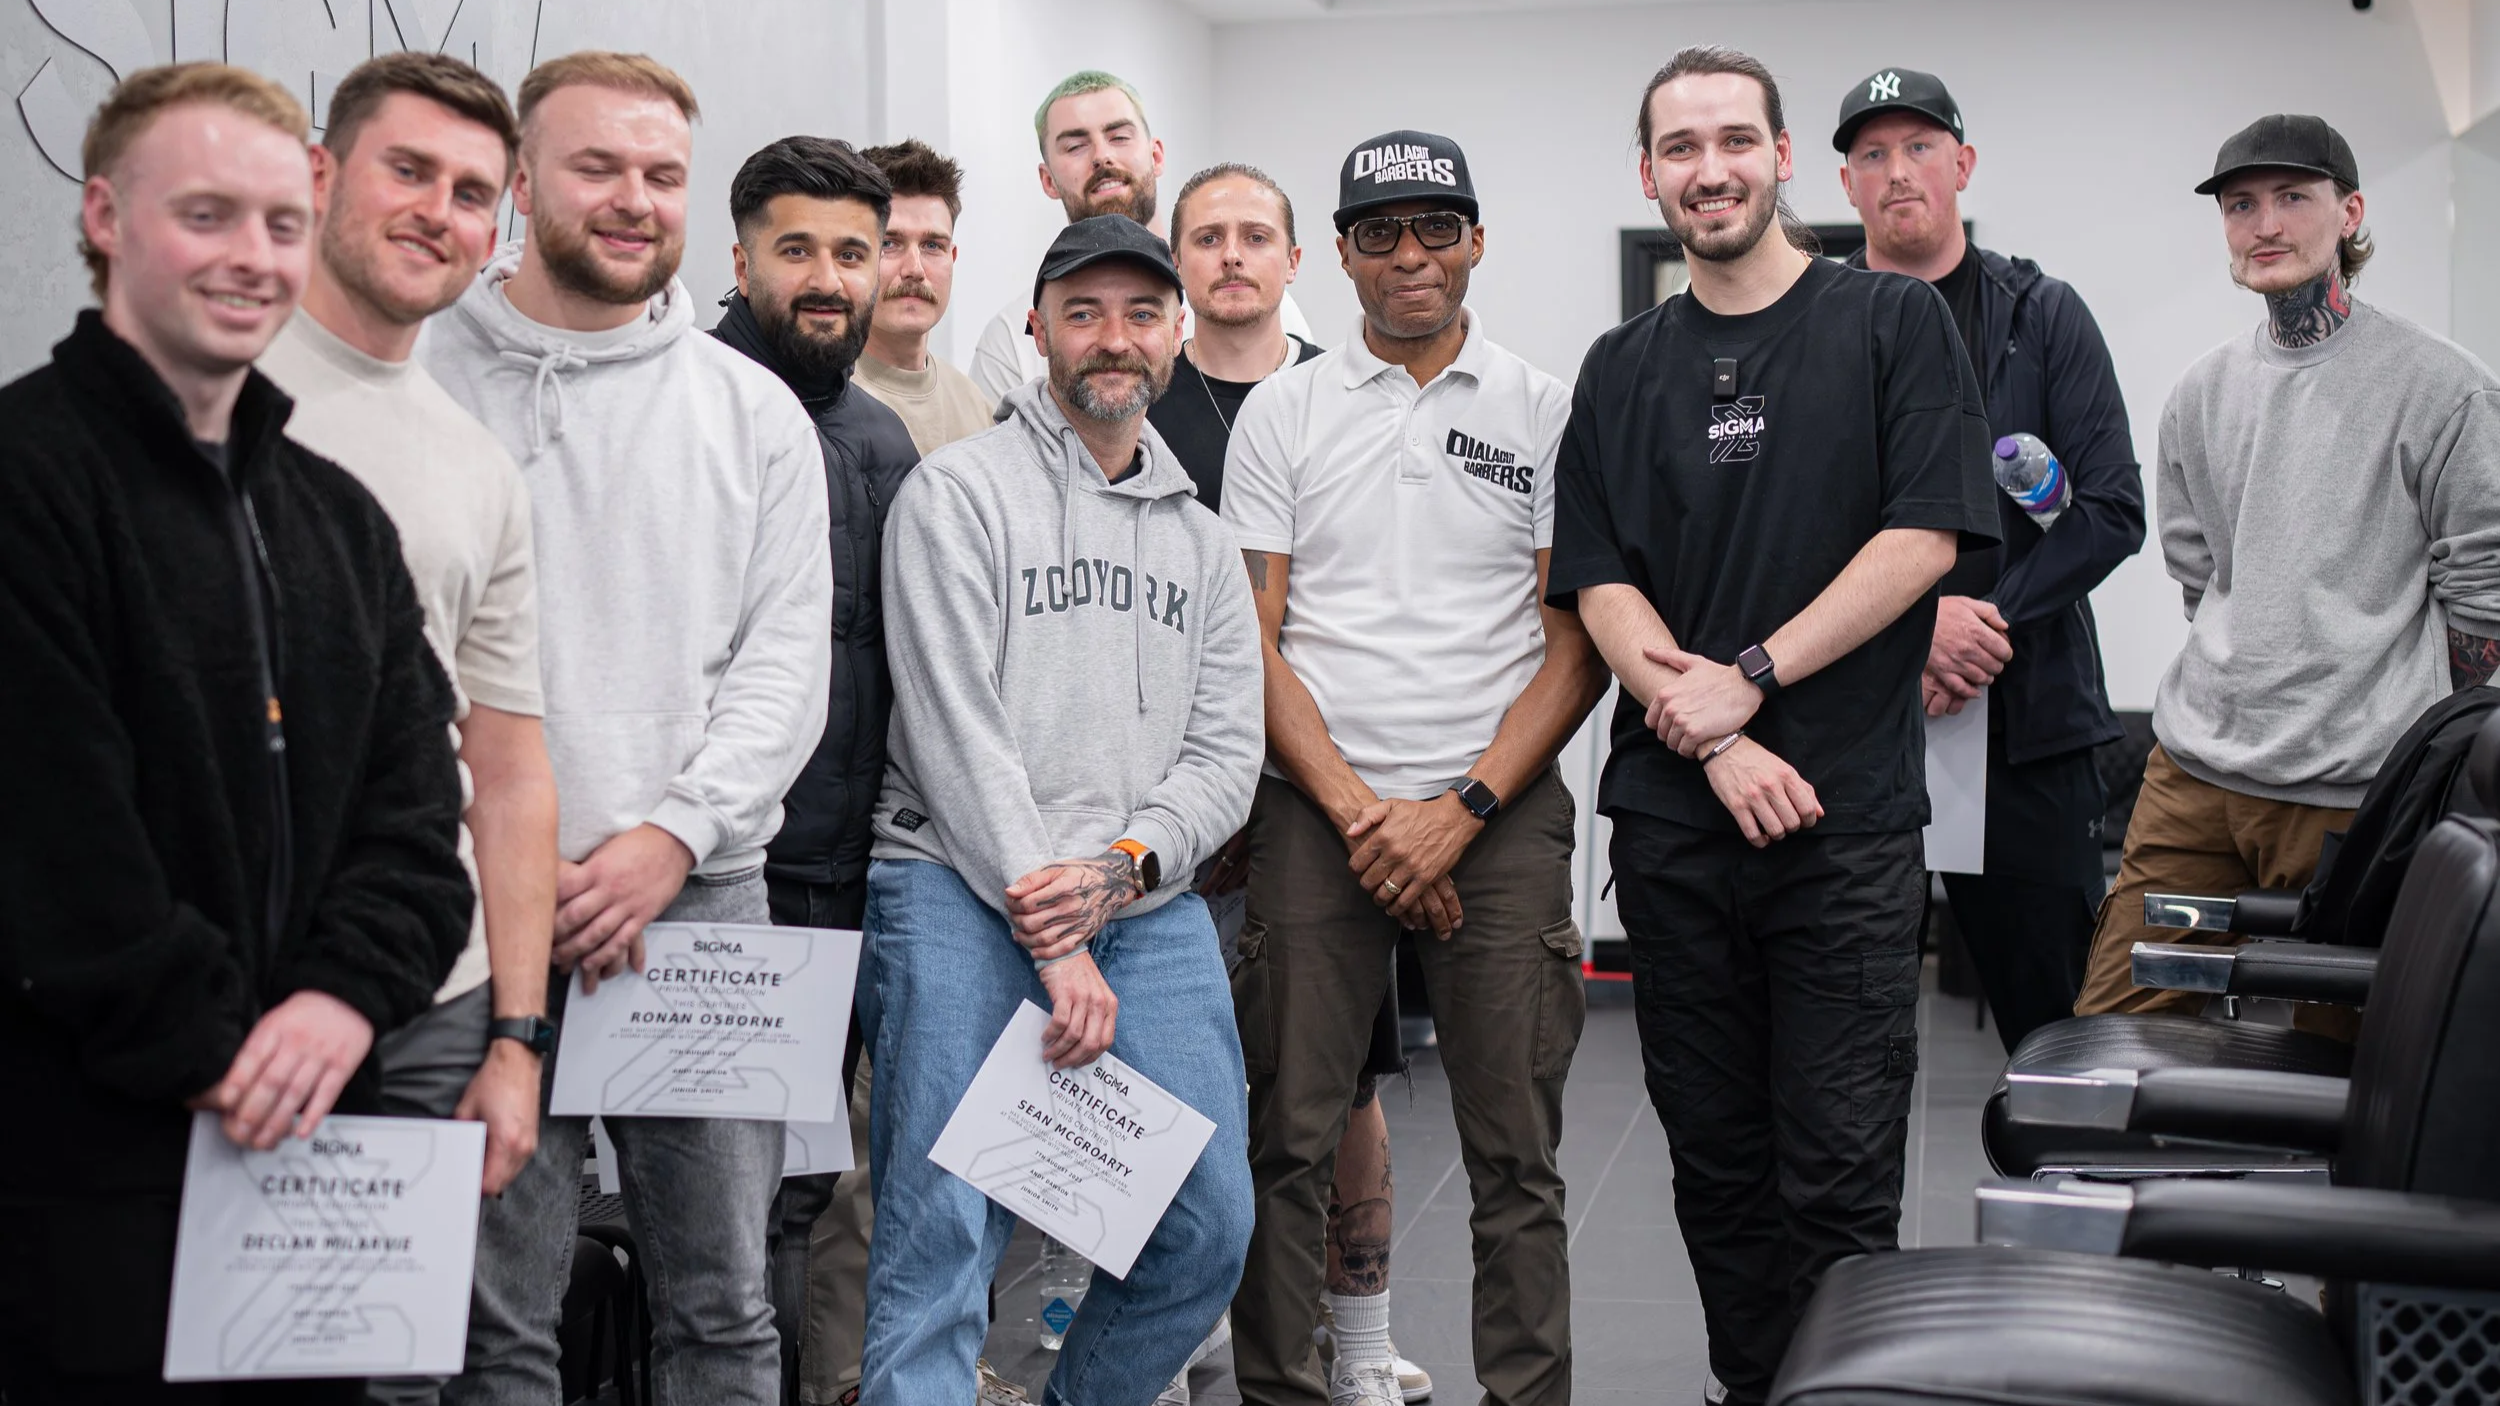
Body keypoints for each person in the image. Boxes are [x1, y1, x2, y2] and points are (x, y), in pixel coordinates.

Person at [0, 61, 473, 1405]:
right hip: (77, 1171)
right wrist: (222, 1045)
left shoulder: (337, 520)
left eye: (278, 222)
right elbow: (49, 834)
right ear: (104, 216)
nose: (252, 258)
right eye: (205, 214)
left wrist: (338, 999)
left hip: (305, 1154)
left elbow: (415, 825)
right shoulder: (27, 479)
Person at [1549, 48, 1996, 1406]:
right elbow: (1599, 574)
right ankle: (1750, 1387)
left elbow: (1923, 538)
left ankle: (1844, 1392)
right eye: (1679, 148)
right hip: (1679, 828)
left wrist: (1750, 674)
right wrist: (1713, 733)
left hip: (1842, 826)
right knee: (1719, 1166)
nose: (1710, 169)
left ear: (1784, 154)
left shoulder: (1889, 328)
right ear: (1648, 176)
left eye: (1734, 139)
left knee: (1841, 1167)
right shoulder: (1622, 365)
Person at [425, 52, 832, 1406]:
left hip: (697, 900)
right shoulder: (421, 378)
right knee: (499, 1321)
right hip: (478, 911)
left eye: (661, 174)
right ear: (524, 182)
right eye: (597, 166)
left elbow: (782, 666)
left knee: (724, 1307)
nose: (631, 198)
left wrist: (675, 830)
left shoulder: (751, 412)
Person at [1223, 131, 1606, 1406]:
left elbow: (1575, 647)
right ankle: (1284, 1389)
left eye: (1434, 226)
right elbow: (1253, 638)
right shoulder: (1283, 408)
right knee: (1284, 1140)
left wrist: (1459, 811)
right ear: (1336, 255)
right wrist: (1361, 815)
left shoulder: (1545, 408)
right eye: (1378, 232)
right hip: (1313, 812)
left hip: (1495, 813)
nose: (1409, 255)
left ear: (1477, 241)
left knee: (1516, 1154)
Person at [858, 215, 1260, 1406]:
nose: (1113, 337)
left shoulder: (1204, 542)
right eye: (1082, 311)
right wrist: (1058, 926)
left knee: (1207, 1223)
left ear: (1178, 335)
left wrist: (1126, 868)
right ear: (1036, 329)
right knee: (944, 1233)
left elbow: (1224, 753)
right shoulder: (956, 494)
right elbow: (952, 729)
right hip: (953, 885)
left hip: (1139, 900)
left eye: (1142, 312)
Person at [252, 52, 560, 1406]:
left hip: (437, 989)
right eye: (411, 170)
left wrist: (514, 1034)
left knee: (429, 1369)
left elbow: (506, 765)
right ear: (322, 177)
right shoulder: (199, 392)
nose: (442, 211)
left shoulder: (475, 462)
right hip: (242, 989)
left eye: (476, 193)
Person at [2075, 114, 2500, 1021]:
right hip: (2196, 785)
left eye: (2292, 199)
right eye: (2240, 205)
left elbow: (2484, 597)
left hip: (2354, 797)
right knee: (2130, 1019)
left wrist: (2442, 780)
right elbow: (2199, 575)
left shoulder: (2442, 387)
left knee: (2347, 1048)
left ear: (2348, 213)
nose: (2264, 223)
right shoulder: (2202, 392)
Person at [1146, 160, 1430, 1406]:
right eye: (1204, 237)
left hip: (1321, 798)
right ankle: (1169, 1330)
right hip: (1167, 809)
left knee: (1337, 1085)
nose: (1230, 257)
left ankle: (1357, 1334)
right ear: (1177, 261)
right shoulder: (1136, 399)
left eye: (1253, 234)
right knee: (1159, 1075)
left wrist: (1318, 795)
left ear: (1294, 257)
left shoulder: (1345, 399)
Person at [1832, 68, 2144, 1051]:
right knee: (1837, 1016)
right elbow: (1778, 523)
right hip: (1851, 720)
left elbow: (2110, 510)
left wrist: (1984, 622)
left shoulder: (2039, 316)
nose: (1897, 172)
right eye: (1871, 154)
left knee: (2051, 1015)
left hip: (2025, 726)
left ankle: (2070, 1195)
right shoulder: (1812, 327)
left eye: (1919, 146)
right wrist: (1914, 628)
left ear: (1961, 164)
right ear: (1845, 185)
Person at [706, 133, 920, 1406]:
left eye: (852, 250)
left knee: (819, 1187)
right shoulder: (693, 403)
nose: (828, 277)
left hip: (854, 879)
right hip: (722, 875)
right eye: (797, 250)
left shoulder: (887, 438)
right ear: (739, 259)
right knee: (717, 1207)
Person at [968, 70, 1309, 401]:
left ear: (1156, 154)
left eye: (1119, 137)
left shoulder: (1245, 297)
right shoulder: (1010, 340)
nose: (1102, 156)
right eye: (1075, 146)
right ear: (1047, 180)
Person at [855, 139, 996, 455]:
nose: (915, 269)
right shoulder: (818, 400)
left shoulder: (977, 410)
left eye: (933, 245)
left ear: (952, 257)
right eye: (889, 243)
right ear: (852, 255)